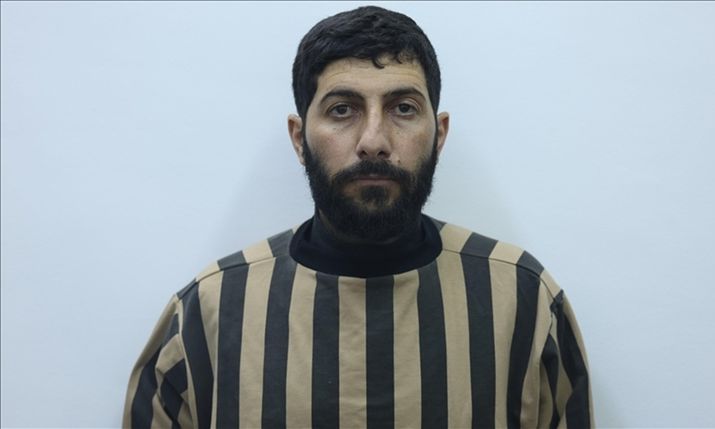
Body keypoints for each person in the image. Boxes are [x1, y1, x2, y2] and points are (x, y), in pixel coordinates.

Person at [123, 6, 593, 428]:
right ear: (299, 137)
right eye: (342, 109)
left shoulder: (523, 302)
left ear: (439, 134)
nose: (373, 141)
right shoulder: (209, 312)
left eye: (403, 108)